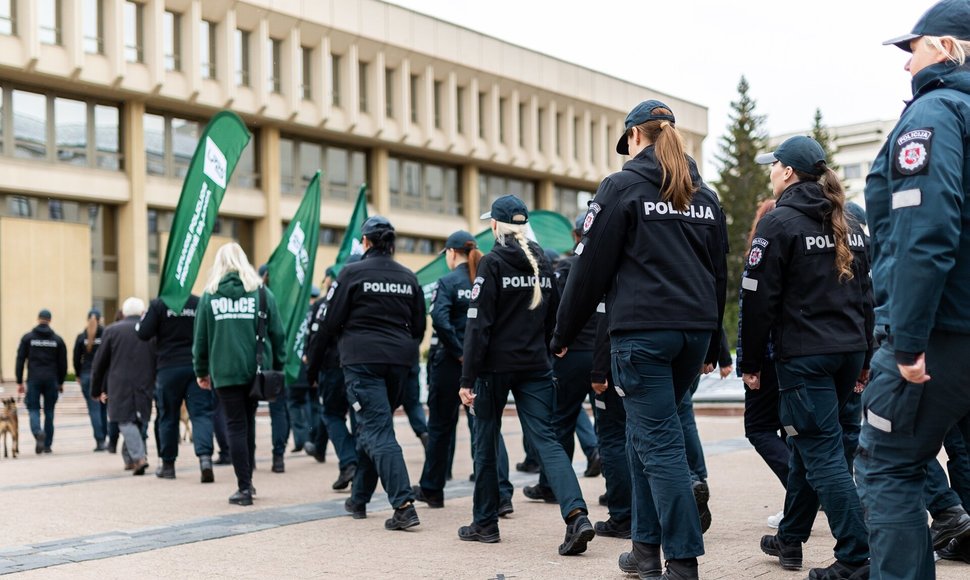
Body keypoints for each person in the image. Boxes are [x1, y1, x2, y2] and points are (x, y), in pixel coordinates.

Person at [552, 100, 727, 580]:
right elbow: (718, 275)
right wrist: (717, 342)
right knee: (641, 436)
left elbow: (588, 269)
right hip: (692, 334)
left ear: (634, 138)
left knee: (661, 446)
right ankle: (645, 549)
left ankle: (683, 561)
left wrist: (564, 333)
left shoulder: (621, 186)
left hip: (644, 335)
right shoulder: (704, 196)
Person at [857, 3, 970, 578]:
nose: (908, 65)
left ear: (948, 48)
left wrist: (907, 338)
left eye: (916, 48)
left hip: (944, 330)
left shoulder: (937, 112)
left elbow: (925, 230)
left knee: (888, 468)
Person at [740, 135, 873, 579]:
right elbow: (866, 295)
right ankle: (791, 538)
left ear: (790, 172)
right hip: (847, 353)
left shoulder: (779, 223)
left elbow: (757, 300)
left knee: (822, 453)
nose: (771, 172)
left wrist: (751, 363)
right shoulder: (851, 219)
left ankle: (857, 557)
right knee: (806, 445)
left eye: (774, 165)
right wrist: (866, 356)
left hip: (807, 356)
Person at [459, 194, 594, 556]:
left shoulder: (491, 263)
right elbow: (554, 312)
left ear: (495, 226)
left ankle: (485, 524)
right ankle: (577, 514)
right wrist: (555, 344)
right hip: (535, 365)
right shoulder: (541, 261)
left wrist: (466, 378)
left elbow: (478, 325)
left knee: (485, 441)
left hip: (493, 368)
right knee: (548, 440)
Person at [310, 216, 426, 530]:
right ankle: (359, 498)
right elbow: (418, 326)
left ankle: (403, 505)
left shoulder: (351, 273)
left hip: (362, 362)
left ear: (365, 242)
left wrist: (311, 368)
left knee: (376, 430)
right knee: (371, 428)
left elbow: (329, 324)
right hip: (399, 363)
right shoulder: (408, 276)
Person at [413, 230, 514, 514]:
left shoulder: (447, 281)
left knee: (441, 427)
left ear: (451, 252)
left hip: (449, 364)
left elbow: (440, 319)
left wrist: (459, 352)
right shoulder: (487, 276)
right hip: (483, 363)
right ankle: (502, 493)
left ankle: (433, 489)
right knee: (486, 427)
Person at [194, 243, 285, 506]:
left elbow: (201, 339)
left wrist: (201, 371)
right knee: (248, 421)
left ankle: (244, 486)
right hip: (256, 372)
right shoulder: (262, 294)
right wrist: (278, 366)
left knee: (235, 425)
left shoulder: (209, 296)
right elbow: (278, 335)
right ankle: (248, 481)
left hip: (224, 372)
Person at [736, 198, 793, 529]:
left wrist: (749, 364)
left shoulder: (761, 255)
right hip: (794, 354)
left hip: (768, 355)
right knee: (789, 430)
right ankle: (797, 500)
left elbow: (752, 314)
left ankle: (802, 491)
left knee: (758, 427)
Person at [137, 290, 217, 483]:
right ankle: (205, 460)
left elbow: (143, 333)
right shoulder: (198, 303)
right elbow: (212, 331)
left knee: (168, 416)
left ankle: (168, 465)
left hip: (168, 368)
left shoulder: (160, 304)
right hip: (196, 366)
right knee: (201, 414)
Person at [91, 297, 156, 475]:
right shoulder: (150, 332)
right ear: (143, 313)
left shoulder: (112, 331)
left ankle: (138, 458)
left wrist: (96, 389)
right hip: (145, 382)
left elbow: (100, 363)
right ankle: (131, 459)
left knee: (126, 421)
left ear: (124, 313)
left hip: (119, 384)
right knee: (139, 420)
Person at [307, 265, 358, 491]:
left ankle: (349, 463)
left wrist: (312, 372)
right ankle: (353, 468)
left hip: (333, 368)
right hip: (359, 365)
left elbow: (316, 340)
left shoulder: (323, 305)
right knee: (360, 419)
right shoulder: (363, 299)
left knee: (331, 414)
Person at [15, 309, 68, 455]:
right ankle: (47, 445)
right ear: (50, 320)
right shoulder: (57, 340)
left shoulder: (28, 338)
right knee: (49, 412)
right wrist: (61, 382)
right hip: (51, 380)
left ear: (38, 319)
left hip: (34, 379)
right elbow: (62, 363)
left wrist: (19, 381)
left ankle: (38, 432)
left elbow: (20, 359)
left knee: (33, 409)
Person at [73, 309, 107, 452]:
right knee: (105, 408)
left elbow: (76, 358)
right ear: (101, 319)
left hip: (87, 375)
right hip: (104, 376)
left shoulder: (81, 336)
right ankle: (106, 438)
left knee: (94, 409)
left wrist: (78, 374)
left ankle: (100, 441)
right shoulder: (106, 334)